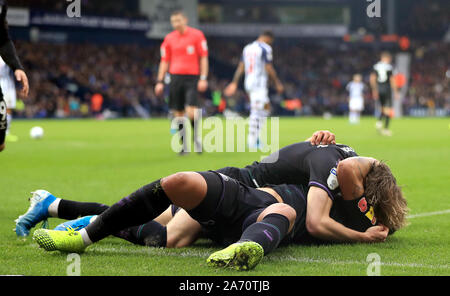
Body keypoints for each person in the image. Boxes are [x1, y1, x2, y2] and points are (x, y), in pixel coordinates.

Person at [154, 10, 209, 154]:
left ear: (185, 20)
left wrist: (203, 78)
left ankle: (196, 139)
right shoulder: (169, 39)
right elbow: (164, 61)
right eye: (173, 21)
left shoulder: (197, 35)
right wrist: (160, 81)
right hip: (174, 78)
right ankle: (184, 145)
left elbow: (203, 57)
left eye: (178, 20)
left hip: (192, 78)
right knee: (177, 112)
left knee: (192, 112)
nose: (175, 24)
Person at [224, 30, 284, 150]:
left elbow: (241, 66)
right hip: (258, 83)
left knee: (266, 108)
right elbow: (268, 66)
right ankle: (252, 141)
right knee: (256, 111)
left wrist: (234, 82)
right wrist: (277, 82)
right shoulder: (265, 48)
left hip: (249, 82)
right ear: (268, 39)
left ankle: (255, 137)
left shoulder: (247, 48)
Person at [0, 0, 29, 151]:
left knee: (0, 144)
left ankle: (6, 132)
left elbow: (3, 37)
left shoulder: (2, 6)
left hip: (4, 83)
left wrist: (17, 67)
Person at [370, 52, 398, 136]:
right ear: (386, 58)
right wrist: (396, 91)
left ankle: (379, 122)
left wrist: (374, 90)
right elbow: (392, 79)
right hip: (386, 89)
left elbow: (372, 78)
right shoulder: (389, 67)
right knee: (388, 109)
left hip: (379, 89)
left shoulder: (376, 66)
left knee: (382, 108)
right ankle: (386, 128)